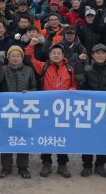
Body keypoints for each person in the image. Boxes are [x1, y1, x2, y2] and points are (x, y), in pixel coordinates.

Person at [25, 40, 77, 178]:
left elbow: (74, 85)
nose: (56, 55)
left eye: (58, 53)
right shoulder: (43, 66)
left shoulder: (70, 69)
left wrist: (72, 90)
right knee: (47, 136)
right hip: (46, 108)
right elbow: (29, 58)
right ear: (49, 55)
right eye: (53, 53)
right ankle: (46, 162)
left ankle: (62, 164)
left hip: (63, 110)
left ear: (63, 55)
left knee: (62, 136)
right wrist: (31, 44)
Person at [0, 45, 37, 179]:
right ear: (8, 57)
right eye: (13, 55)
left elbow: (35, 87)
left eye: (18, 56)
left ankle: (23, 167)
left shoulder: (29, 70)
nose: (16, 58)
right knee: (6, 139)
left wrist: (29, 93)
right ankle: (6, 167)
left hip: (24, 111)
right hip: (7, 110)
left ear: (22, 58)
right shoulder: (4, 69)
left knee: (22, 139)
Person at [74, 43, 106, 178]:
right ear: (92, 55)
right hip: (88, 111)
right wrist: (80, 62)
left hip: (105, 112)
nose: (100, 55)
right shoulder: (86, 69)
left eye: (102, 53)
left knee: (103, 139)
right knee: (88, 138)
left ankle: (100, 165)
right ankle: (87, 165)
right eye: (97, 53)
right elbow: (79, 81)